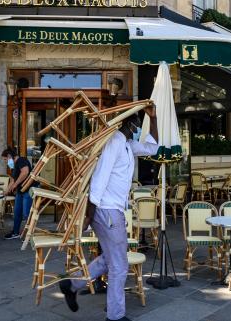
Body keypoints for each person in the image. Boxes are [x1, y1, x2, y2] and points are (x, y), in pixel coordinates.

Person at [59, 105, 158, 321]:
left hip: (112, 211)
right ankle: (115, 316)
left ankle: (72, 284)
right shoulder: (113, 142)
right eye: (136, 123)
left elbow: (153, 148)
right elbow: (99, 178)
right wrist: (88, 214)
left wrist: (154, 118)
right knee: (119, 266)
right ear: (127, 123)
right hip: (107, 211)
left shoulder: (127, 145)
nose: (138, 127)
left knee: (111, 259)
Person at [1, 147, 33, 240]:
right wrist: (6, 191)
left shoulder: (22, 160)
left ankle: (29, 234)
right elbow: (12, 180)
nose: (5, 162)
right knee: (17, 213)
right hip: (20, 191)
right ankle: (15, 232)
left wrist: (15, 184)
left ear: (10, 156)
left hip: (28, 190)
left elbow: (25, 172)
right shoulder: (13, 165)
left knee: (27, 213)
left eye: (5, 159)